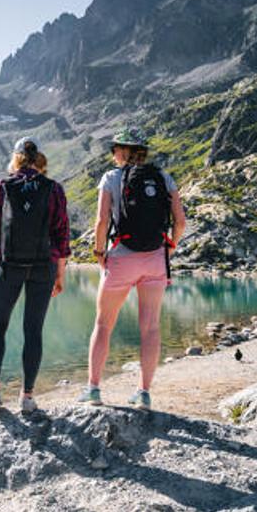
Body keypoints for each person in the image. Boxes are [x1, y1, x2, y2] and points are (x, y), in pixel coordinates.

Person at [78, 128, 186, 410]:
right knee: (150, 327)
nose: (113, 155)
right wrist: (168, 249)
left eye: (114, 150)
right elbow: (181, 222)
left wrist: (99, 252)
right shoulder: (162, 177)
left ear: (121, 151)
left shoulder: (111, 178)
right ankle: (144, 393)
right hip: (155, 259)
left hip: (121, 257)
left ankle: (93, 389)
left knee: (103, 325)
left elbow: (102, 221)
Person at [0, 136, 71, 414]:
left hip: (9, 265)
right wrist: (60, 274)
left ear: (16, 159)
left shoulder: (1, 186)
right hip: (43, 266)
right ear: (39, 160)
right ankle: (27, 397)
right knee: (33, 331)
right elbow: (61, 235)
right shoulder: (54, 189)